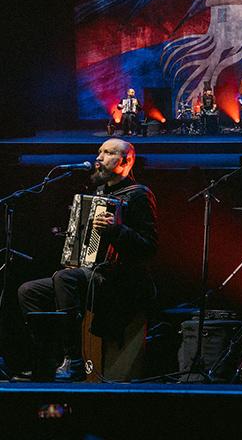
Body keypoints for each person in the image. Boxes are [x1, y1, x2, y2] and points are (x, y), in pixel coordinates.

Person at [17, 138, 158, 381]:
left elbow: (149, 247)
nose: (99, 158)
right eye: (99, 152)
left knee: (65, 278)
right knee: (29, 290)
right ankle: (48, 362)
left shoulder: (138, 195)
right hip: (90, 274)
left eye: (108, 153)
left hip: (118, 279)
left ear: (126, 161)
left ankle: (74, 361)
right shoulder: (96, 193)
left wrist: (117, 229)